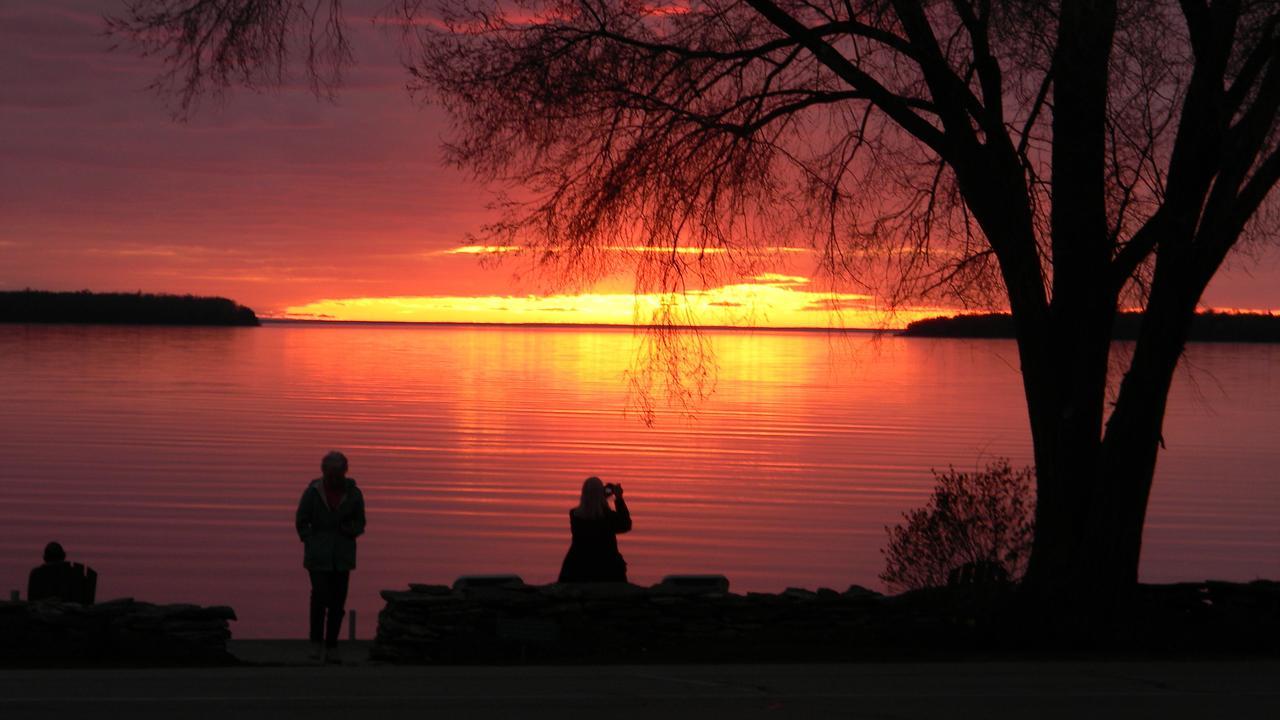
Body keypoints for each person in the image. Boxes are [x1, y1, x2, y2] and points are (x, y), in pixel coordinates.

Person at [295, 450, 366, 662]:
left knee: (337, 603)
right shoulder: (313, 493)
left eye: (338, 472)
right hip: (318, 556)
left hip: (342, 557)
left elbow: (360, 523)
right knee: (319, 598)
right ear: (324, 472)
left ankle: (332, 646)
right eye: (330, 472)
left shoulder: (354, 494)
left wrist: (349, 530)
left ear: (345, 472)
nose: (334, 477)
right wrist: (311, 539)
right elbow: (301, 521)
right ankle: (316, 644)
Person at [557, 476, 632, 583]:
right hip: (607, 569)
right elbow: (626, 524)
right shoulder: (608, 518)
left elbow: (591, 506)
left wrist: (599, 496)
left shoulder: (574, 515)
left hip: (578, 567)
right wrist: (618, 498)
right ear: (600, 494)